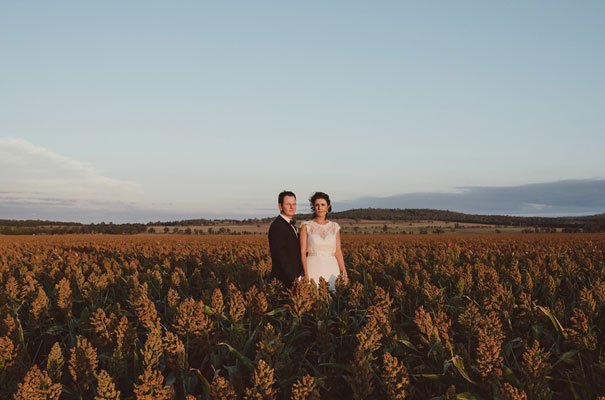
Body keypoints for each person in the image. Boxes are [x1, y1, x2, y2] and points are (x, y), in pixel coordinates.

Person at [300, 192, 348, 290]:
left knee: (332, 295)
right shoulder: (306, 226)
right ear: (313, 207)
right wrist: (305, 273)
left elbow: (338, 252)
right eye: (317, 205)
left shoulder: (334, 227)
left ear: (328, 207)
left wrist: (344, 273)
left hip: (332, 268)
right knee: (313, 294)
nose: (320, 208)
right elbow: (303, 252)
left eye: (323, 205)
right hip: (312, 267)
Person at [268, 190, 303, 288]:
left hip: (293, 278)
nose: (292, 207)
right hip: (284, 281)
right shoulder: (277, 226)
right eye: (288, 204)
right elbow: (281, 257)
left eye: (294, 204)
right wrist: (296, 278)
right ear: (280, 206)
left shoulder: (289, 224)